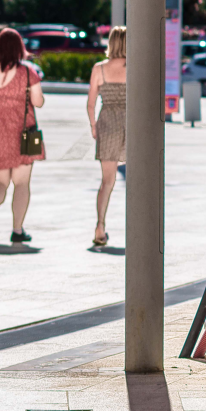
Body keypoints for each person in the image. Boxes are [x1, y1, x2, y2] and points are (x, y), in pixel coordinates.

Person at [0, 28, 45, 243]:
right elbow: (38, 102)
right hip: (23, 135)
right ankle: (17, 230)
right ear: (19, 49)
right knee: (21, 184)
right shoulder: (27, 73)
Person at [86, 26, 126, 247]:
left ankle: (100, 226)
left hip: (108, 121)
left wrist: (94, 126)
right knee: (138, 179)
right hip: (132, 122)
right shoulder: (134, 67)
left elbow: (91, 104)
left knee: (107, 181)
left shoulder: (99, 68)